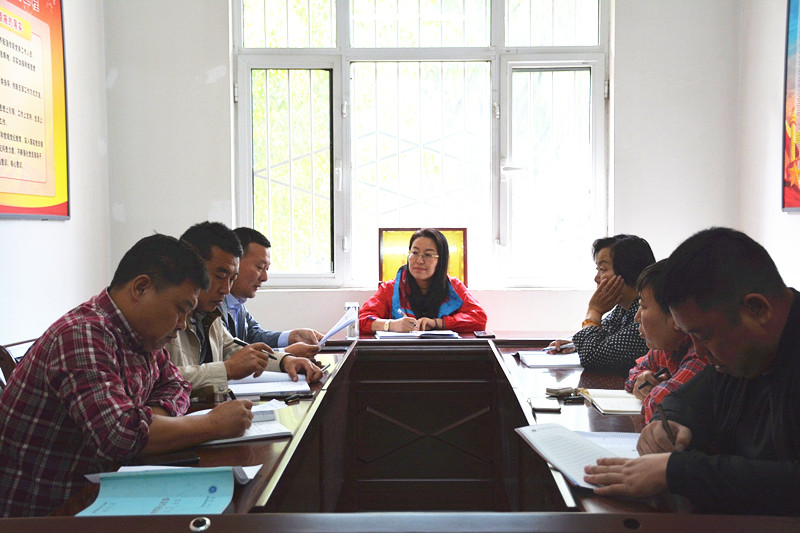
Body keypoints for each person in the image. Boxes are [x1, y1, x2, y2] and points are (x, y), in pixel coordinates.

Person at [0, 234, 257, 517]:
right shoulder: (82, 334)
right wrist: (213, 424)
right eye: (180, 309)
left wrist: (148, 420)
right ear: (141, 288)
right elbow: (120, 436)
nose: (183, 324)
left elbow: (176, 384)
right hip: (51, 513)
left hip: (106, 491)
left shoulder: (142, 335)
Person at [584, 227, 800, 515]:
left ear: (757, 309)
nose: (698, 352)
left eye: (703, 335)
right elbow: (689, 398)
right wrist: (670, 423)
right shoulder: (734, 351)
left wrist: (676, 471)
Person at [166, 222, 322, 397]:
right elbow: (162, 380)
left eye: (232, 279)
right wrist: (226, 369)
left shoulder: (209, 313)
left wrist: (285, 361)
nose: (226, 289)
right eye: (220, 276)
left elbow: (233, 348)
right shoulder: (164, 316)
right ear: (192, 269)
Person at [549, 234, 655, 376]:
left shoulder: (645, 317)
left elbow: (592, 357)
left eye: (603, 269)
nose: (596, 278)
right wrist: (573, 344)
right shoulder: (622, 309)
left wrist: (594, 310)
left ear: (628, 271)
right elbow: (601, 335)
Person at [220, 227, 323, 360]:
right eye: (259, 267)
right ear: (234, 262)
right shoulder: (213, 305)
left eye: (267, 269)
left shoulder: (238, 302)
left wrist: (292, 336)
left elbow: (254, 336)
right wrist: (284, 353)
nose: (265, 278)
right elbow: (228, 355)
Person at [359, 228, 487, 334]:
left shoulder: (453, 287)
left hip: (444, 352)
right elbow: (361, 320)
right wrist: (391, 325)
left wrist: (438, 323)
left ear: (441, 260)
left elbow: (479, 318)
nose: (419, 260)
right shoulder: (391, 288)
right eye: (415, 252)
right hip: (400, 353)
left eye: (428, 255)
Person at [623, 260, 706, 423]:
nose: (637, 317)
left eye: (643, 307)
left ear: (677, 315)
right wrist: (642, 377)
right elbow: (634, 373)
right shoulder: (665, 348)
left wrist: (655, 391)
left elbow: (659, 407)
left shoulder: (701, 353)